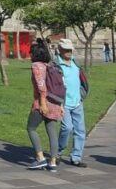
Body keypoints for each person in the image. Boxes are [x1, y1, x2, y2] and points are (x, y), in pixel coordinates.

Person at [27, 40, 63, 172]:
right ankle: (53, 162)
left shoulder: (37, 66)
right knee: (52, 132)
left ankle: (40, 158)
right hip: (55, 102)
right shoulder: (50, 65)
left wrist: (42, 103)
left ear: (34, 54)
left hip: (43, 102)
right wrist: (61, 105)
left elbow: (41, 86)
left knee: (31, 128)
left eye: (31, 53)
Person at [56, 39, 88, 168]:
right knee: (67, 128)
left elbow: (82, 80)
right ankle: (58, 152)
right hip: (63, 103)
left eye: (70, 49)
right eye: (66, 49)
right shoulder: (56, 65)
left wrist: (82, 94)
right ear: (60, 49)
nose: (69, 52)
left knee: (80, 131)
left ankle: (76, 158)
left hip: (77, 102)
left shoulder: (75, 62)